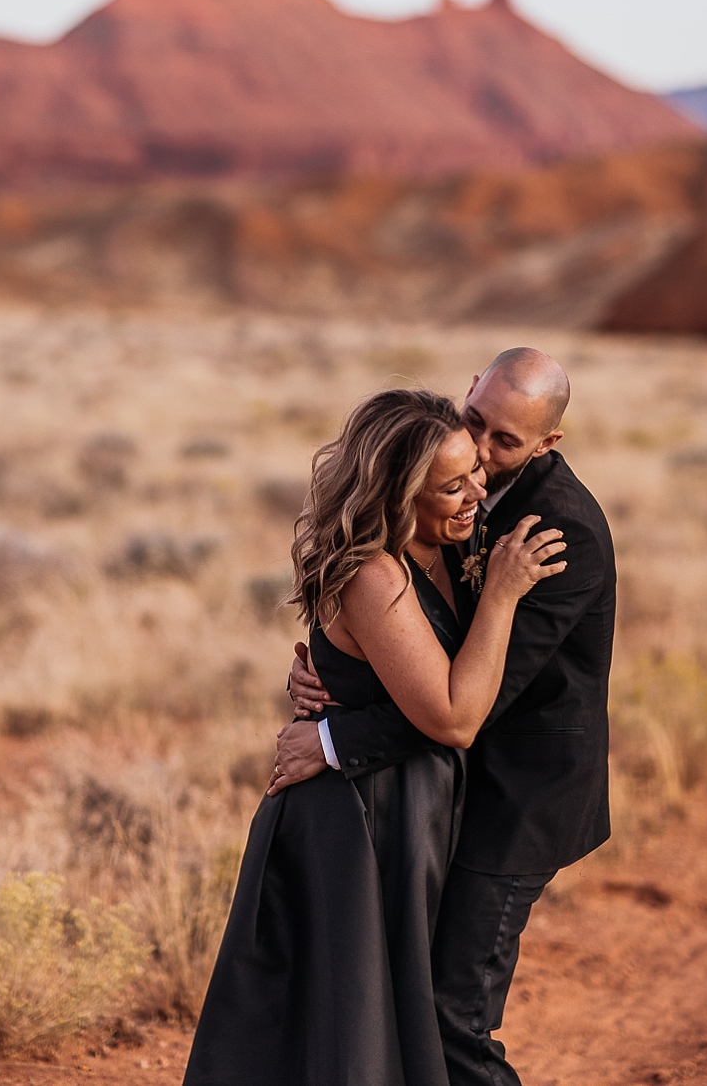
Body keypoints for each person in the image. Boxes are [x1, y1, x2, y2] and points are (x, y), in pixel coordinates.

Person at [183, 388, 567, 1086]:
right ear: (397, 496)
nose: (477, 492)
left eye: (476, 472)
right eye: (451, 486)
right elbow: (452, 716)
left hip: (406, 815)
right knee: (348, 1033)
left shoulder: (444, 551)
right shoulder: (373, 573)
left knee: (397, 1021)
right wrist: (506, 595)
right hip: (354, 826)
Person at [273, 348, 615, 1086]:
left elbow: (477, 700)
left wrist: (335, 738)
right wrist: (335, 676)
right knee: (391, 1001)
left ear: (547, 444)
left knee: (450, 1016)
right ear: (468, 394)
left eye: (505, 444)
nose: (484, 462)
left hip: (518, 799)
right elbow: (411, 638)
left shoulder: (559, 533)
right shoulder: (434, 502)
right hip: (433, 796)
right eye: (476, 425)